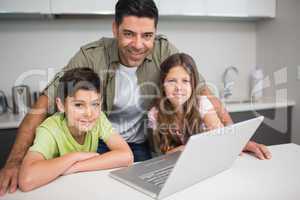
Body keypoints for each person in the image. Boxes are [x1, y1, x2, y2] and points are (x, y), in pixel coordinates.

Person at [0, 0, 271, 195]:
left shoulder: (164, 49)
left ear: (155, 33)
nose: (138, 44)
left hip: (143, 145)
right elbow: (43, 103)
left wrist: (233, 138)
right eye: (129, 34)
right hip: (101, 143)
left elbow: (202, 92)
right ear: (115, 28)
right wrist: (14, 161)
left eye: (147, 35)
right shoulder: (92, 54)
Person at [18, 68, 133, 192]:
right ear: (61, 105)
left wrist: (74, 167)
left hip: (81, 187)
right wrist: (76, 156)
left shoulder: (98, 118)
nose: (89, 113)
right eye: (78, 105)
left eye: (95, 104)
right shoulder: (50, 129)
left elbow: (126, 156)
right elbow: (26, 180)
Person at [148, 53, 224, 154]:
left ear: (193, 84)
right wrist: (179, 150)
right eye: (172, 81)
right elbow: (163, 153)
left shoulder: (202, 103)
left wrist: (187, 149)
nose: (178, 88)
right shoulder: (155, 114)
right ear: (163, 85)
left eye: (185, 81)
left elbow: (220, 137)